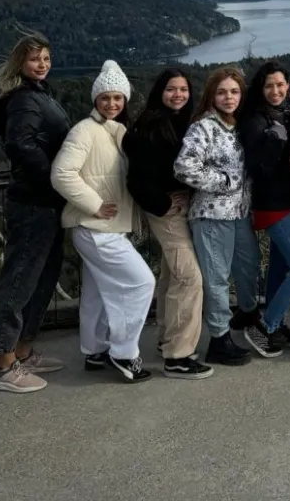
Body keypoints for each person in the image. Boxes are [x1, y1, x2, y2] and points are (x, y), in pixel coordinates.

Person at [51, 61, 155, 383]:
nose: (112, 103)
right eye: (105, 97)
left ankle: (95, 350)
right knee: (141, 283)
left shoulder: (116, 130)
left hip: (101, 229)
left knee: (97, 292)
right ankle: (123, 354)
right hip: (96, 229)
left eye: (118, 98)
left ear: (125, 100)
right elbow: (61, 173)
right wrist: (94, 205)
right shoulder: (85, 130)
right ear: (95, 99)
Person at [0, 34, 70, 393]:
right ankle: (4, 366)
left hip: (46, 204)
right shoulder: (23, 100)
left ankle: (22, 351)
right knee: (20, 280)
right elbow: (21, 145)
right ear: (21, 61)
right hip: (35, 203)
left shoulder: (37, 94)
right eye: (35, 58)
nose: (43, 64)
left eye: (47, 57)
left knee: (42, 278)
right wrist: (56, 182)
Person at [124, 68, 212, 380]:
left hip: (177, 207)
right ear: (160, 92)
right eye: (171, 89)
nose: (178, 95)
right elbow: (136, 180)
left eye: (183, 89)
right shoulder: (150, 127)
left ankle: (167, 340)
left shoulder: (180, 123)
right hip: (167, 211)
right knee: (190, 277)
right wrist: (162, 204)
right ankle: (179, 355)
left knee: (172, 275)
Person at [174, 67, 259, 367]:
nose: (229, 97)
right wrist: (223, 182)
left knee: (249, 267)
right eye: (222, 92)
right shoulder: (204, 127)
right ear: (211, 94)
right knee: (217, 279)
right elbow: (184, 167)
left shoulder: (237, 125)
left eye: (234, 91)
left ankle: (247, 315)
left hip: (239, 213)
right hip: (211, 215)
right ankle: (219, 339)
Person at [239, 62, 290, 358]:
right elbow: (260, 165)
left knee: (281, 267)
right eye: (269, 85)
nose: (276, 91)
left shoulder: (286, 112)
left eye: (281, 85)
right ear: (260, 88)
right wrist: (276, 139)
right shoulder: (255, 119)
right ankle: (265, 326)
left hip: (287, 202)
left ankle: (277, 324)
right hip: (272, 204)